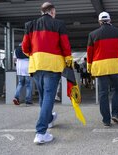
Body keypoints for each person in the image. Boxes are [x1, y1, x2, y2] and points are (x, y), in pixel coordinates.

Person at [22, 2, 73, 144]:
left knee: (43, 96)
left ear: (41, 12)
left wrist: (35, 56)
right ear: (51, 11)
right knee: (49, 96)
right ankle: (41, 132)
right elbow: (65, 45)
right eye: (54, 12)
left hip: (36, 65)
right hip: (53, 65)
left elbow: (25, 48)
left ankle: (49, 119)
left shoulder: (30, 25)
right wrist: (68, 60)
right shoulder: (59, 24)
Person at [86, 11, 118, 127]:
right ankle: (115, 113)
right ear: (110, 20)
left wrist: (89, 67)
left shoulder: (93, 34)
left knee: (103, 93)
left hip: (100, 67)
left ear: (99, 21)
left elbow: (89, 53)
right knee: (117, 90)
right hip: (115, 65)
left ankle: (106, 120)